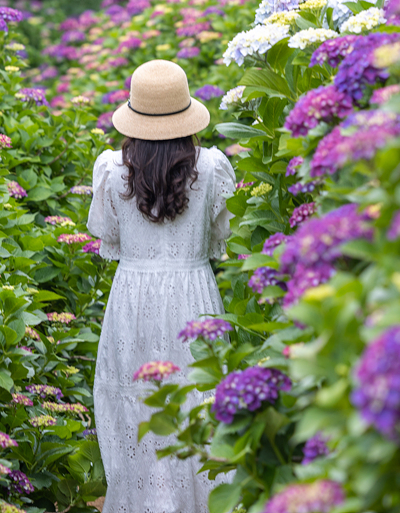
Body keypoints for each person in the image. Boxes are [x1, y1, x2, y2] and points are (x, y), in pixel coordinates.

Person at [87, 59, 235, 513]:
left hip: (132, 297)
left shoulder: (113, 169)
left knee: (136, 400)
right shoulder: (210, 167)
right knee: (198, 396)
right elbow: (218, 239)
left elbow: (107, 236)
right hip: (193, 296)